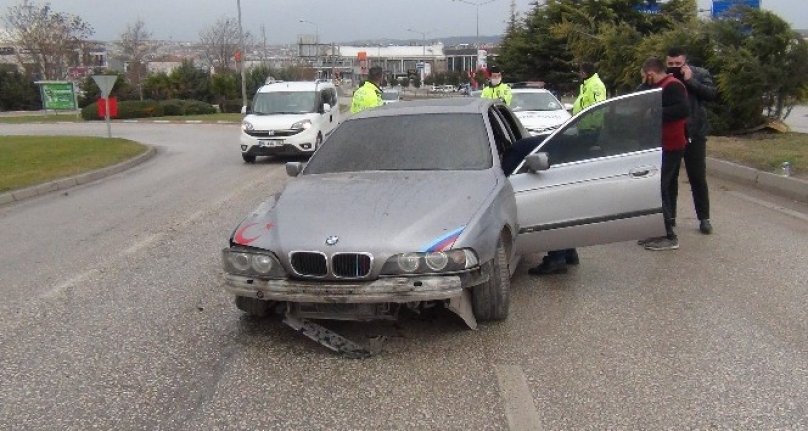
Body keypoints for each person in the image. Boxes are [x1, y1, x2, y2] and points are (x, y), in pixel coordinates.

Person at [529, 62, 606, 275]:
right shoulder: (587, 84)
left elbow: (595, 110)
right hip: (582, 133)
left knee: (559, 197)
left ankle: (559, 255)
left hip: (587, 135)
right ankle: (568, 250)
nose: (579, 74)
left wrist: (584, 132)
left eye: (580, 71)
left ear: (585, 71)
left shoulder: (595, 85)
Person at [637, 57, 690, 251]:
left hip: (671, 146)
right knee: (660, 188)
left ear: (650, 73)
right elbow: (638, 98)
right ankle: (659, 230)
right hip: (660, 145)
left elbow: (683, 110)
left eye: (644, 75)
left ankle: (669, 235)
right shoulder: (657, 86)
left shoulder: (672, 86)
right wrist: (644, 85)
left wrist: (654, 111)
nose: (643, 79)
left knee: (659, 188)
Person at [666, 47, 718, 234]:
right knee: (670, 177)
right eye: (670, 64)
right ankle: (669, 216)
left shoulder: (699, 74)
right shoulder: (664, 78)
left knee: (697, 177)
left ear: (685, 62)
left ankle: (704, 218)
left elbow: (712, 94)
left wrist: (691, 81)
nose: (674, 67)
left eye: (677, 64)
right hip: (672, 134)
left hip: (694, 133)